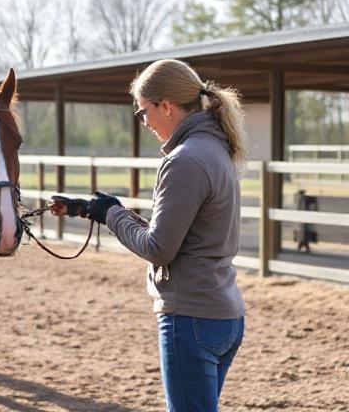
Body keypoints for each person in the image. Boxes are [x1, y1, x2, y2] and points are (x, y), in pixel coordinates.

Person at [50, 59, 247, 412]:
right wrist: (92, 208)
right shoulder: (215, 148)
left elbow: (159, 248)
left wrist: (111, 214)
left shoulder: (185, 159)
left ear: (166, 107)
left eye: (143, 113)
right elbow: (176, 230)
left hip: (190, 317)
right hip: (223, 313)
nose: (144, 123)